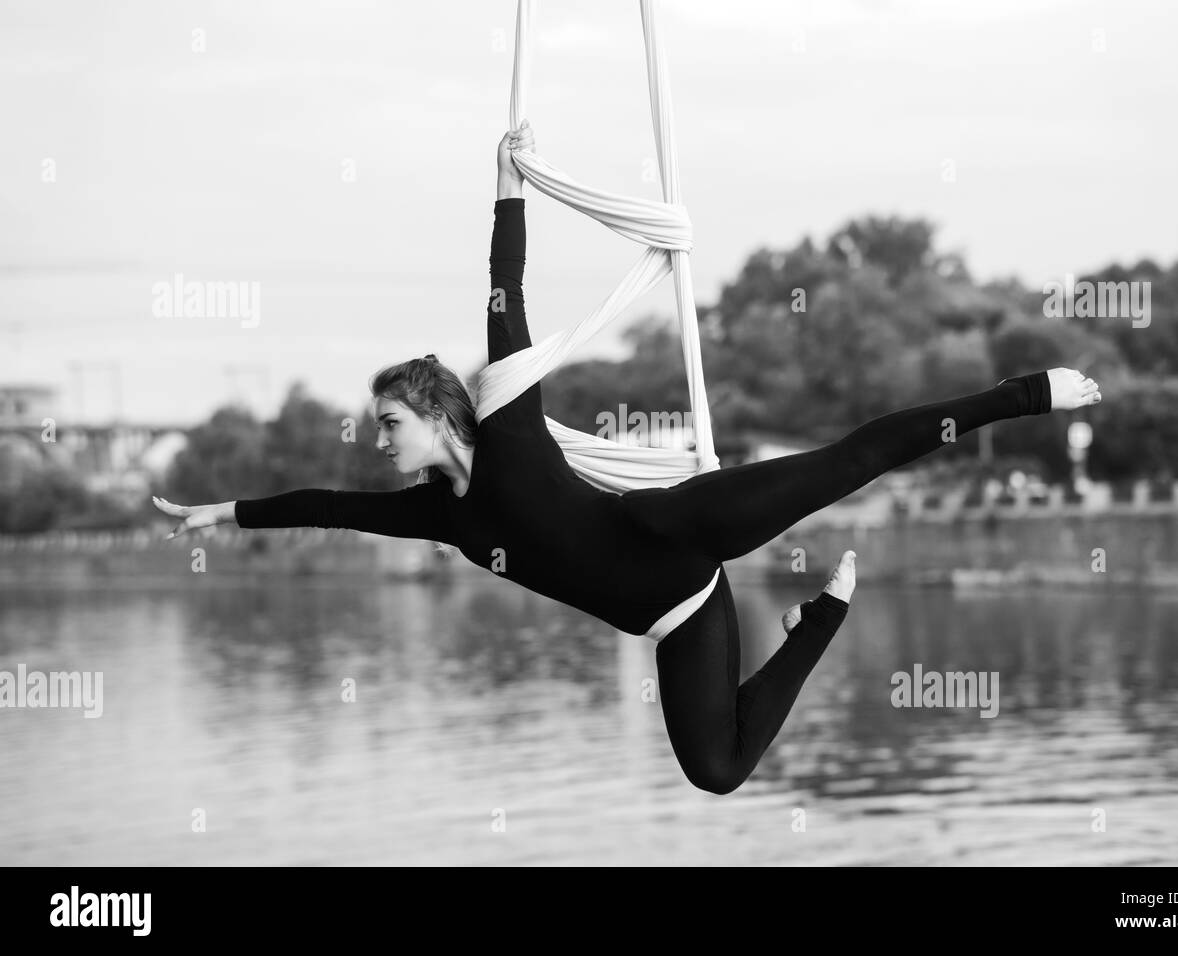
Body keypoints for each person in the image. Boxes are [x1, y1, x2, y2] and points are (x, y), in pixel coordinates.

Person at [153, 123, 1101, 794]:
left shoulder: (511, 422)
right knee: (717, 772)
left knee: (850, 462)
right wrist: (222, 514)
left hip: (679, 526)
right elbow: (328, 503)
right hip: (678, 613)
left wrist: (508, 184)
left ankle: (1024, 394)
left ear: (440, 412)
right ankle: (821, 623)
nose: (383, 438)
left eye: (391, 421)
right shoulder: (441, 516)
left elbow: (504, 287)